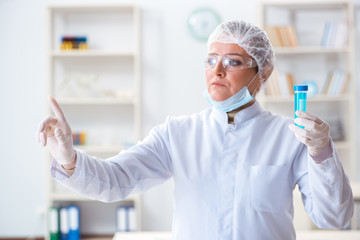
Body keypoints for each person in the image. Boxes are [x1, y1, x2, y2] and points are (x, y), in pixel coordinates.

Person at [37, 21, 353, 240]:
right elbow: (115, 181)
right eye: (211, 60)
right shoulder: (178, 133)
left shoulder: (289, 136)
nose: (216, 70)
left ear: (262, 73)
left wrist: (322, 152)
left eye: (232, 61)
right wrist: (69, 158)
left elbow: (334, 218)